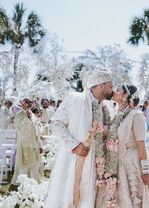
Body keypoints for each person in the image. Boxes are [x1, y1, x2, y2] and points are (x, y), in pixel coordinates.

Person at [45, 71, 113, 208]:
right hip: (73, 159)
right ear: (100, 85)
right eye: (110, 86)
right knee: (68, 197)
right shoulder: (75, 98)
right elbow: (56, 123)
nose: (112, 89)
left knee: (87, 199)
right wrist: (74, 146)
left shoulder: (106, 108)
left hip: (94, 163)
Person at [95, 83, 149, 208]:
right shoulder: (115, 114)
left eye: (118, 90)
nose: (114, 90)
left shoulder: (136, 115)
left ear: (125, 95)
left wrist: (145, 170)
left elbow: (141, 143)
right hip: (115, 163)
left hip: (130, 165)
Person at [11, 98, 43, 186]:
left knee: (34, 164)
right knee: (24, 164)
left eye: (29, 102)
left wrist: (40, 144)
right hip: (24, 144)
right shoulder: (19, 115)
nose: (27, 104)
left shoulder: (32, 114)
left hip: (33, 143)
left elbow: (37, 129)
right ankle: (24, 184)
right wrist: (27, 118)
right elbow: (19, 128)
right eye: (25, 102)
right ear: (21, 103)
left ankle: (33, 182)